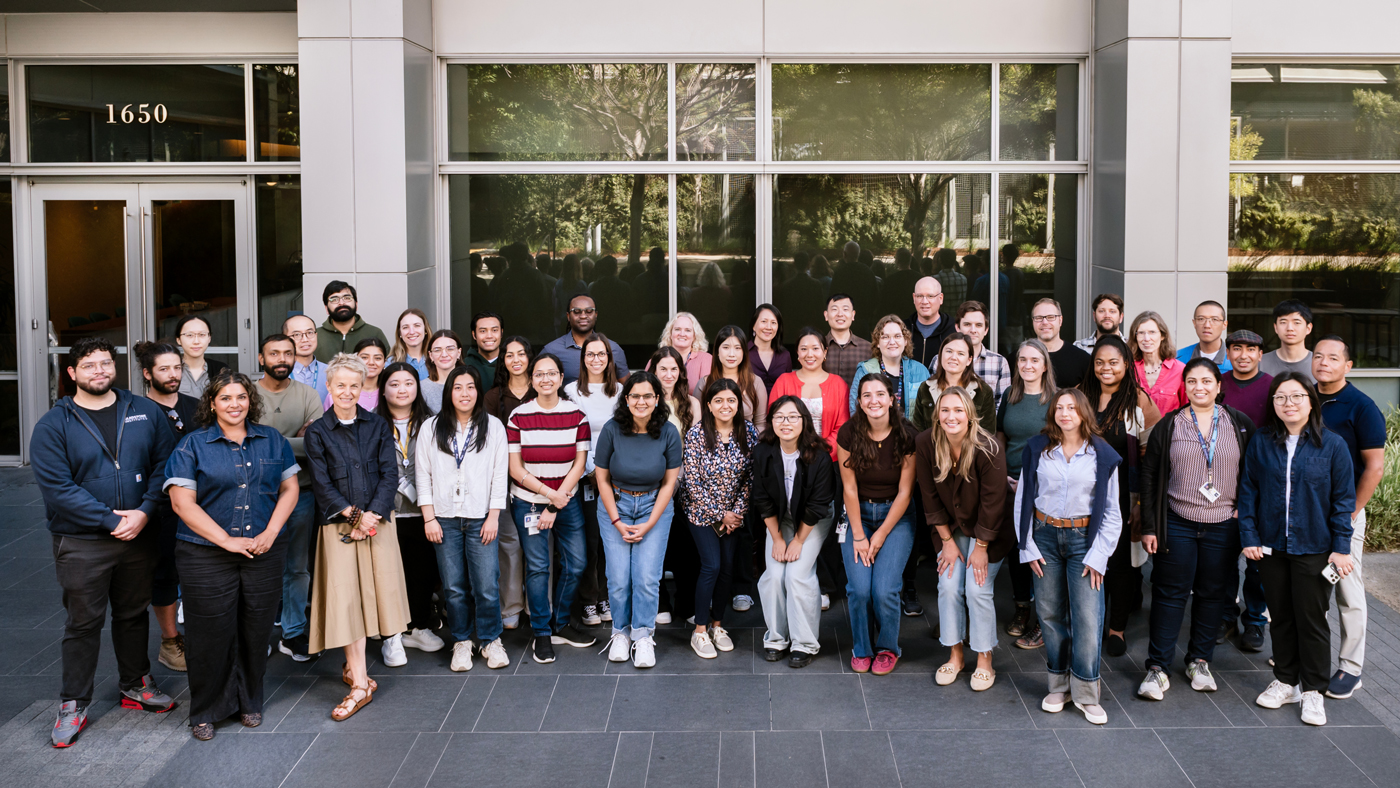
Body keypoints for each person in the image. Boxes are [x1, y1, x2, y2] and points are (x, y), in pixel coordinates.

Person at [32, 337, 178, 748]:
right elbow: (58, 488)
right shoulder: (52, 424)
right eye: (90, 365)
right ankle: (73, 703)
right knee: (83, 622)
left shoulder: (144, 411)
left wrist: (147, 510)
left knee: (133, 613)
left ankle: (135, 685)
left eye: (105, 363)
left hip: (138, 532)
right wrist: (109, 520)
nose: (100, 371)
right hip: (82, 541)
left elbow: (164, 465)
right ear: (72, 373)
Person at [165, 370, 300, 740]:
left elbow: (290, 489)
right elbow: (181, 502)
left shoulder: (272, 440)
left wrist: (271, 532)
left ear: (250, 402)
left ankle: (249, 701)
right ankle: (205, 710)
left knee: (256, 630)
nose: (234, 404)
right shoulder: (192, 445)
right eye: (226, 398)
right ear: (212, 403)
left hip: (263, 551)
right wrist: (226, 539)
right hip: (205, 553)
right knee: (210, 632)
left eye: (241, 397)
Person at [1240, 373, 1356, 726]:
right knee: (1282, 616)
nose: (1288, 403)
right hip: (1271, 545)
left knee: (1312, 621)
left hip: (1315, 547)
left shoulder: (1333, 445)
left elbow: (1342, 501)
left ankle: (1313, 691)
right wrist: (1249, 536)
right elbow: (1248, 491)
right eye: (1280, 398)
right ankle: (1287, 680)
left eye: (1296, 396)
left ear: (1310, 401)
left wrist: (1341, 547)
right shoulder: (1262, 441)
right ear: (1273, 404)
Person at [1137, 358, 1256, 701]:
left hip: (1223, 525)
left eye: (1206, 381)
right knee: (1170, 593)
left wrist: (1242, 514)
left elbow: (1252, 473)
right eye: (1192, 381)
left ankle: (1199, 661)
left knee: (1212, 593)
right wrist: (1149, 525)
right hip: (1177, 521)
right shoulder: (1170, 425)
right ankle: (1157, 668)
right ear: (1184, 387)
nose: (1199, 387)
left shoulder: (1239, 423)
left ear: (1219, 386)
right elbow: (1150, 475)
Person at [306, 353, 411, 722]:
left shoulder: (378, 426)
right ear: (329, 387)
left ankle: (356, 671)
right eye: (340, 385)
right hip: (340, 527)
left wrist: (372, 515)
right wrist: (354, 515)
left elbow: (390, 473)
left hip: (377, 524)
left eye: (354, 385)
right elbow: (321, 484)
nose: (347, 391)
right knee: (348, 601)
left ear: (362, 386)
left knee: (375, 599)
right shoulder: (318, 432)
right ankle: (361, 683)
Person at [1014, 388, 1123, 725]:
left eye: (1072, 408)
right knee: (1049, 614)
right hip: (1045, 537)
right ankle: (1058, 685)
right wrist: (1027, 544)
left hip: (1083, 541)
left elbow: (1113, 512)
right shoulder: (1037, 448)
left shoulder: (1102, 454)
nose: (1064, 413)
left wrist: (1099, 555)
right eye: (1059, 407)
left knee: (1088, 618)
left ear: (1083, 413)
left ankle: (1087, 693)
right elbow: (1023, 500)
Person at [917, 385, 1014, 690]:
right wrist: (946, 540)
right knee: (947, 585)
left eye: (958, 410)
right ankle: (955, 654)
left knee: (977, 587)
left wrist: (981, 547)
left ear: (970, 417)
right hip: (952, 528)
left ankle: (984, 659)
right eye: (945, 410)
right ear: (936, 416)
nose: (951, 416)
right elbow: (929, 496)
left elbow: (994, 502)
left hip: (991, 529)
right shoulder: (926, 443)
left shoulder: (989, 446)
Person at [416, 365, 512, 673]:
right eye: (458, 387)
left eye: (470, 387)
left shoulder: (493, 427)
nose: (465, 393)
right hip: (443, 518)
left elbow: (500, 474)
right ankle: (461, 641)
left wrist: (494, 516)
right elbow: (422, 475)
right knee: (454, 586)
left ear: (478, 392)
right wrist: (429, 518)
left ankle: (490, 639)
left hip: (481, 517)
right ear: (449, 392)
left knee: (486, 584)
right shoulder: (431, 427)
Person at [506, 352, 595, 663]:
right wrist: (548, 496)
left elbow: (579, 463)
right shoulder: (518, 416)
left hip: (566, 501)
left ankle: (560, 622)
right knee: (538, 568)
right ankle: (542, 632)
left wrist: (558, 500)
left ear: (560, 378)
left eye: (551, 373)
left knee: (577, 563)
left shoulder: (576, 416)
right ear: (532, 380)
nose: (545, 379)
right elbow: (515, 469)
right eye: (539, 374)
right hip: (529, 502)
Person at [1313, 336, 1387, 700]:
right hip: (1307, 515)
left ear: (1348, 366)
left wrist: (1352, 512)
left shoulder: (1361, 406)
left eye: (1332, 358)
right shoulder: (1305, 397)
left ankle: (1350, 667)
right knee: (1311, 588)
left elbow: (1374, 467)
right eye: (1318, 356)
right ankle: (1309, 657)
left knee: (1346, 588)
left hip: (1343, 513)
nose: (1323, 363)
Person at [595, 371, 683, 668]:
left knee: (646, 577)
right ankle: (620, 632)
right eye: (635, 396)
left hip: (654, 506)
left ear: (657, 399)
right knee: (619, 577)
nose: (641, 401)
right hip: (615, 505)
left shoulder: (669, 432)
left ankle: (643, 635)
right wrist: (618, 521)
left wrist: (648, 523)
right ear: (626, 399)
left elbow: (670, 484)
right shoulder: (612, 429)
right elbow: (602, 479)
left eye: (648, 396)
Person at [1081, 335, 1160, 657]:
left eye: (1113, 362)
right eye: (1099, 362)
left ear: (1127, 364)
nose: (1105, 368)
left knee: (1122, 564)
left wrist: (1141, 502)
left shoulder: (1138, 400)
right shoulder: (1082, 395)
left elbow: (1149, 456)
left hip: (1124, 496)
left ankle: (1117, 628)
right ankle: (1091, 621)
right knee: (1087, 559)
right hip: (1084, 495)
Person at [250, 334, 324, 663]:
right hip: (255, 496)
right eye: (274, 353)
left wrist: (267, 442)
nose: (282, 358)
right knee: (256, 567)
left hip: (302, 493)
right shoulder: (247, 394)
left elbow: (315, 445)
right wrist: (292, 440)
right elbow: (242, 441)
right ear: (261, 358)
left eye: (288, 353)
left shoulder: (308, 394)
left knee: (297, 568)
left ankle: (293, 634)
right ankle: (257, 634)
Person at [838, 373, 918, 675]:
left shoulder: (907, 435)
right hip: (857, 515)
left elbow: (905, 492)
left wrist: (881, 535)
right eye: (867, 395)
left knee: (884, 589)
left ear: (891, 399)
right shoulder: (848, 434)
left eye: (880, 394)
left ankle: (887, 648)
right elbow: (849, 489)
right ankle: (862, 647)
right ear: (859, 402)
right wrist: (859, 536)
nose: (874, 401)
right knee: (859, 589)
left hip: (895, 518)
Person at [754, 396, 835, 667]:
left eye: (792, 416)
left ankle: (805, 643)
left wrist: (799, 540)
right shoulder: (763, 451)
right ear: (771, 421)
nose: (785, 422)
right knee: (774, 576)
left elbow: (818, 504)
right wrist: (777, 538)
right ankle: (777, 639)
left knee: (798, 575)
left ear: (804, 420)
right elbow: (762, 498)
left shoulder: (820, 455)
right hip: (779, 520)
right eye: (779, 417)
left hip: (813, 520)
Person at [134, 340, 199, 672]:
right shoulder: (135, 412)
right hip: (158, 507)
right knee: (165, 573)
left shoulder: (198, 406)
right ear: (147, 373)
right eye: (164, 369)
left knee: (199, 570)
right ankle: (171, 641)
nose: (173, 375)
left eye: (177, 367)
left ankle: (201, 637)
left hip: (201, 505)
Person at [375, 361, 446, 666]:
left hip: (424, 513)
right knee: (390, 574)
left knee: (422, 571)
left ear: (418, 388)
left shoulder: (433, 422)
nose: (401, 389)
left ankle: (417, 626)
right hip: (386, 512)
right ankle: (392, 631)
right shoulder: (372, 424)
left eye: (408, 383)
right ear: (383, 389)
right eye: (394, 384)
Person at [682, 379, 758, 659]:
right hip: (701, 513)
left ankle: (717, 625)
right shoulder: (696, 434)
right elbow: (691, 481)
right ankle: (699, 631)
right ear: (709, 405)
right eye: (719, 401)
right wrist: (719, 513)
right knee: (711, 565)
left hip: (733, 515)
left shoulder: (748, 432)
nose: (725, 406)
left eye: (731, 401)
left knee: (727, 567)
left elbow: (750, 477)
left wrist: (735, 513)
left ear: (739, 405)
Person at [995, 339, 1057, 650]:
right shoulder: (1011, 395)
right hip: (1009, 482)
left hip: (1044, 487)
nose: (1028, 365)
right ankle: (1022, 608)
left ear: (1045, 365)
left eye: (1035, 360)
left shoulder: (1056, 399)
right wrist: (1002, 474)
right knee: (1017, 548)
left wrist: (1032, 483)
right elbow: (1001, 436)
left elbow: (1060, 444)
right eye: (1022, 360)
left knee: (1042, 550)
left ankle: (1046, 622)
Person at [564, 333, 625, 627]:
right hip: (584, 475)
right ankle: (589, 600)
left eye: (602, 354)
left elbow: (623, 434)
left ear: (609, 358)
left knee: (609, 540)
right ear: (583, 358)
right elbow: (572, 436)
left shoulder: (621, 392)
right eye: (591, 354)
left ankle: (606, 597)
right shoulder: (571, 392)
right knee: (589, 540)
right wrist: (590, 469)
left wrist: (608, 470)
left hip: (615, 477)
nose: (596, 359)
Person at [1218, 328, 1273, 650]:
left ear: (1259, 355)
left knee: (1257, 563)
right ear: (1228, 353)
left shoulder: (1271, 387)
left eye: (1250, 349)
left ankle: (1255, 621)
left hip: (1261, 488)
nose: (1243, 355)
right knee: (1223, 560)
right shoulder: (1218, 384)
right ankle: (1225, 615)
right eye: (1236, 348)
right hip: (1222, 487)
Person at [483, 336, 534, 629]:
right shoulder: (493, 397)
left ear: (529, 357)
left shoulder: (542, 389)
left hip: (539, 479)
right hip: (502, 479)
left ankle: (536, 605)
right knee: (509, 543)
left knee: (538, 545)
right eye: (509, 355)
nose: (516, 360)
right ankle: (511, 605)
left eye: (521, 354)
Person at [650, 347, 702, 627]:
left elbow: (697, 447)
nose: (668, 375)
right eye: (663, 369)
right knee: (656, 545)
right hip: (653, 483)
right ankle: (660, 602)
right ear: (654, 372)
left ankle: (686, 602)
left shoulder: (692, 404)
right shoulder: (647, 402)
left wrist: (681, 477)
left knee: (688, 547)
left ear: (681, 372)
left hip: (686, 483)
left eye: (674, 369)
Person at [767, 328, 850, 454]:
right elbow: (773, 419)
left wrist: (822, 451)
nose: (809, 354)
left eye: (815, 348)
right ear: (797, 353)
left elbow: (843, 427)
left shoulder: (838, 384)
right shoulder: (783, 381)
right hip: (789, 455)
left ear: (825, 352)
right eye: (804, 349)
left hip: (828, 457)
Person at [848, 315, 930, 419]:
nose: (892, 342)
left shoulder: (921, 371)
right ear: (877, 342)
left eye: (897, 336)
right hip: (874, 433)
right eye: (885, 337)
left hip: (912, 434)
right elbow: (854, 409)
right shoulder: (865, 370)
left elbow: (929, 413)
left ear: (905, 341)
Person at [912, 333, 995, 432]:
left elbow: (987, 434)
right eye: (949, 351)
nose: (953, 357)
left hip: (970, 447)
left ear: (969, 360)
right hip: (931, 447)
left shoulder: (983, 391)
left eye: (960, 353)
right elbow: (917, 430)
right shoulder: (926, 387)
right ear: (940, 355)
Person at [543, 295, 631, 384]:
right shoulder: (551, 350)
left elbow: (627, 388)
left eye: (589, 311)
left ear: (596, 315)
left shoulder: (613, 349)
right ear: (568, 316)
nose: (583, 316)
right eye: (577, 311)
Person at [696, 325, 769, 432]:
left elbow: (760, 424)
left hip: (747, 444)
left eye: (737, 348)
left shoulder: (755, 382)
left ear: (744, 352)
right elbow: (698, 424)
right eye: (726, 347)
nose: (731, 354)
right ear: (717, 351)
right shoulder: (705, 383)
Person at [939, 300, 1011, 403]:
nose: (973, 330)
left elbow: (1001, 405)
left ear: (986, 330)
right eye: (967, 324)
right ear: (957, 327)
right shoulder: (940, 360)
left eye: (978, 325)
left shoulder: (999, 363)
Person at [314, 281, 389, 363]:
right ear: (326, 308)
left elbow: (387, 367)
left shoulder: (375, 333)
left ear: (356, 304)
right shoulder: (315, 336)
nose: (341, 303)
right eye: (334, 299)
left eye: (347, 298)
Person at [1129, 311, 1187, 416]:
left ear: (1162, 336)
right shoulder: (1128, 369)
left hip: (1169, 432)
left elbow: (1187, 409)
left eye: (1152, 332)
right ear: (1135, 337)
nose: (1146, 338)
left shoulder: (1179, 370)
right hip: (1134, 432)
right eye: (1141, 333)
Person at [1031, 298, 1091, 388]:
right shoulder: (1019, 359)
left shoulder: (1082, 359)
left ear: (1060, 320)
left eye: (1051, 317)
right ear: (1033, 321)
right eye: (1038, 318)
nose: (1044, 322)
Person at [829, 241, 880, 338]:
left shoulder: (840, 273)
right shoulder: (868, 272)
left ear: (844, 254)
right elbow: (875, 297)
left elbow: (832, 297)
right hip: (862, 320)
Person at [822, 293, 873, 386]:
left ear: (853, 315)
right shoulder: (818, 347)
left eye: (845, 309)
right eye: (834, 309)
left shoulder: (868, 348)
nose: (840, 314)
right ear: (826, 315)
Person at [323, 337, 387, 410]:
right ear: (355, 359)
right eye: (364, 357)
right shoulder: (337, 394)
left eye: (378, 358)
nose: (371, 362)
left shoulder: (390, 393)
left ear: (384, 362)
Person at [1260, 300, 1315, 384]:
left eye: (1296, 323)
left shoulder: (1319, 364)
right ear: (1275, 327)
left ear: (1308, 328)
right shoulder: (1260, 363)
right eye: (1283, 322)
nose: (1289, 328)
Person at [174, 314, 228, 398]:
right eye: (189, 335)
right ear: (178, 340)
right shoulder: (171, 370)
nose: (196, 341)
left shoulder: (221, 369)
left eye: (202, 335)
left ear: (209, 338)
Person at [656, 312, 713, 391]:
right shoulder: (657, 358)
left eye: (688, 330)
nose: (682, 334)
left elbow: (710, 393)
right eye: (677, 329)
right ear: (670, 334)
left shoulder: (706, 359)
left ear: (694, 336)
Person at [906, 276, 953, 368]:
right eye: (919, 296)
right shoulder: (901, 330)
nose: (924, 301)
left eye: (930, 296)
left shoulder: (954, 331)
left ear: (941, 298)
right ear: (914, 298)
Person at [1177, 300, 1232, 372]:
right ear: (1194, 323)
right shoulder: (1178, 359)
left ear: (1224, 325)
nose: (1207, 325)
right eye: (1201, 319)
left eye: (1214, 319)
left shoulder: (1235, 360)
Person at [285, 314, 330, 401]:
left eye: (309, 333)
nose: (305, 339)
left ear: (316, 335)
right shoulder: (276, 374)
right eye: (297, 334)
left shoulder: (331, 372)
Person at [749, 303, 793, 391]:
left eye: (773, 323)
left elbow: (788, 388)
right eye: (764, 321)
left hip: (778, 404)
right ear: (754, 326)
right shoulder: (742, 353)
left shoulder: (785, 355)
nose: (768, 327)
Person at [420, 329, 464, 414]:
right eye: (437, 350)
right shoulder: (422, 388)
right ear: (430, 355)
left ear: (458, 352)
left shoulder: (470, 384)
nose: (444, 354)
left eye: (450, 349)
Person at [463, 312, 503, 393]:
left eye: (494, 330)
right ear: (474, 335)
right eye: (483, 331)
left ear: (501, 333)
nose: (489, 336)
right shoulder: (464, 365)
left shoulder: (511, 362)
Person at [389, 308, 433, 380]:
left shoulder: (437, 360)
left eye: (417, 325)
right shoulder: (391, 363)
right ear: (400, 333)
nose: (411, 332)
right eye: (405, 327)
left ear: (425, 329)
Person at [880, 248, 923, 319]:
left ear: (897, 261)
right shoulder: (920, 279)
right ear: (910, 260)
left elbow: (885, 302)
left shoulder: (891, 279)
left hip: (896, 317)